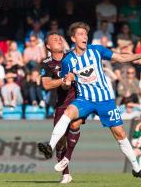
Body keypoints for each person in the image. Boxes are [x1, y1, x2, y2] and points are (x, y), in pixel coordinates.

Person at [38, 22, 141, 182]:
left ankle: (137, 169)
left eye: (86, 34)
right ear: (73, 38)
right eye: (80, 34)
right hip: (85, 99)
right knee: (69, 113)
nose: (84, 36)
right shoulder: (68, 60)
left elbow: (120, 57)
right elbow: (65, 85)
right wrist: (67, 80)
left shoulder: (96, 50)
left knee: (120, 134)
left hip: (105, 99)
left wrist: (139, 56)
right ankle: (50, 146)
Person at [40, 32, 84, 183]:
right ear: (48, 46)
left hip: (79, 99)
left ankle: (67, 157)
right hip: (61, 103)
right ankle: (66, 174)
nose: (58, 40)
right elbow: (46, 84)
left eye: (59, 38)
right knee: (60, 142)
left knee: (75, 123)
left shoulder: (72, 55)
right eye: (54, 39)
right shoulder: (46, 63)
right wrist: (65, 79)